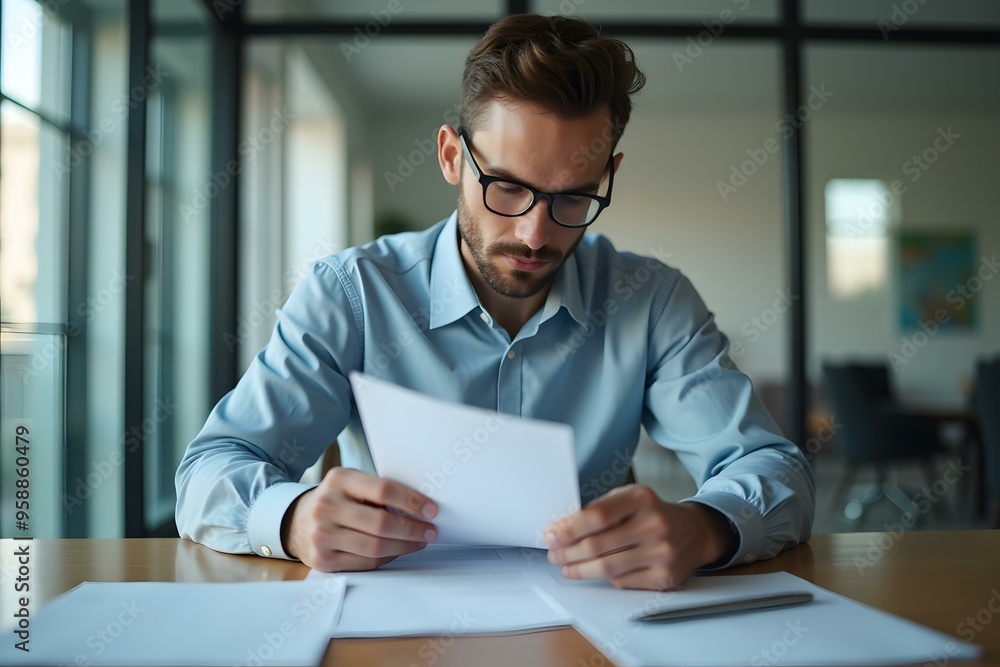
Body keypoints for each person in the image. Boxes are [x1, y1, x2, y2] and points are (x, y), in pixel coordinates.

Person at [175, 13, 814, 591]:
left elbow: (774, 468)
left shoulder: (650, 301)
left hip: (594, 632)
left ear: (607, 176)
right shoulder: (352, 294)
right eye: (507, 187)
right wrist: (291, 518)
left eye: (573, 198)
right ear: (453, 156)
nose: (535, 234)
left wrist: (706, 527)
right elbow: (209, 471)